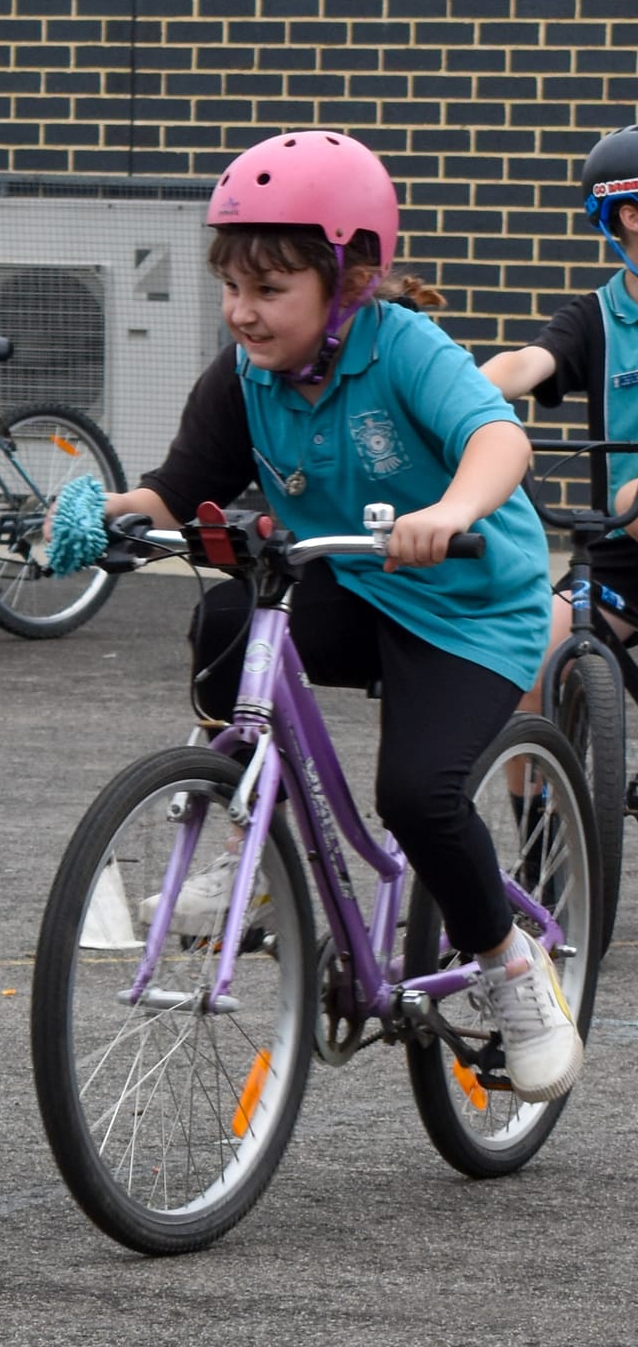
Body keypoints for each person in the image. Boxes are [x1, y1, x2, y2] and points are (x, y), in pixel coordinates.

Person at [98, 127, 578, 1101]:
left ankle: (508, 968)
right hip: (353, 584)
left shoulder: (401, 349)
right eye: (230, 286)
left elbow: (497, 439)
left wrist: (447, 510)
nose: (240, 311)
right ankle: (252, 852)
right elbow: (176, 487)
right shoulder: (245, 374)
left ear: (348, 276)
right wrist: (87, 518)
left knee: (414, 792)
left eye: (267, 289)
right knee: (224, 623)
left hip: (469, 605)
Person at [480, 124, 638, 707]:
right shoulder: (596, 319)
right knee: (529, 668)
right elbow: (526, 364)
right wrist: (456, 396)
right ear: (630, 215)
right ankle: (544, 803)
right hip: (623, 559)